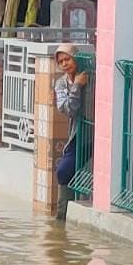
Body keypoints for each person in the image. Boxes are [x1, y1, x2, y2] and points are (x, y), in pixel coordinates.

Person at [54, 43, 88, 220]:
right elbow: (67, 109)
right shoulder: (61, 83)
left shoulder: (91, 75)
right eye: (61, 62)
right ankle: (61, 218)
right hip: (78, 133)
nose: (65, 64)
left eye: (68, 59)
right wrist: (76, 87)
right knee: (63, 170)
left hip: (95, 132)